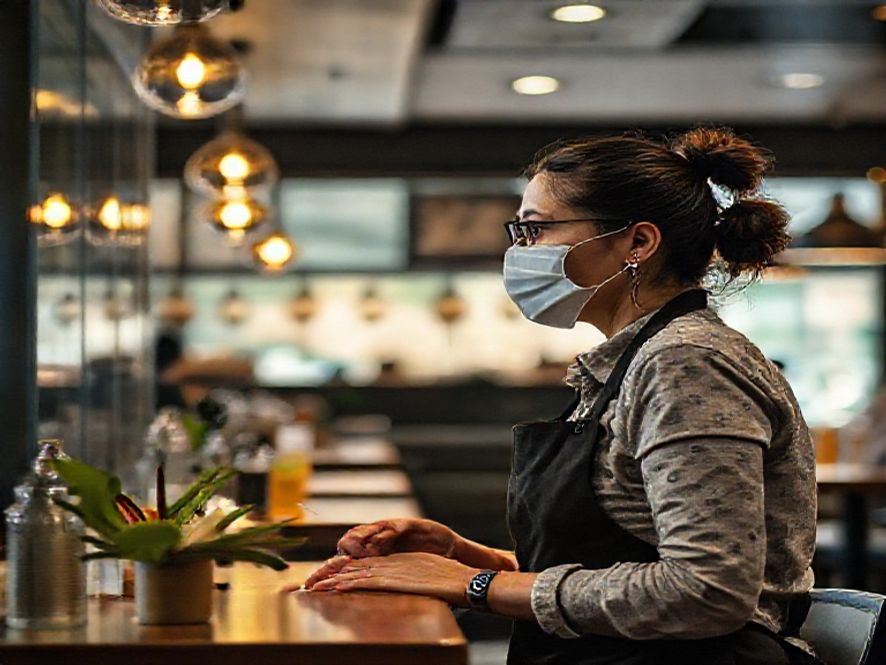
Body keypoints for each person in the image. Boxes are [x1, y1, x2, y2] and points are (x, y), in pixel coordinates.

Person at [294, 128, 821, 665]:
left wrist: (474, 585)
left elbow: (706, 592)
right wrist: (470, 558)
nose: (521, 252)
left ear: (638, 243)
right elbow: (625, 563)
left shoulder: (686, 364)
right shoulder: (634, 361)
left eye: (536, 230)